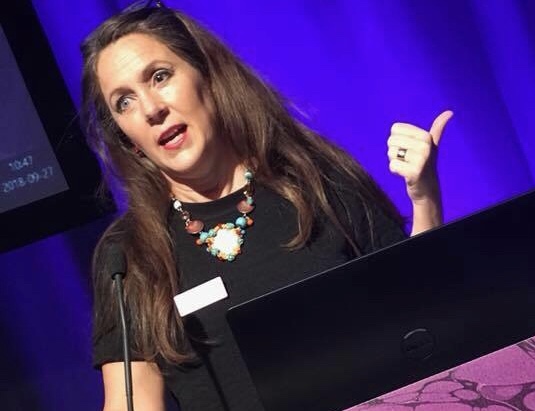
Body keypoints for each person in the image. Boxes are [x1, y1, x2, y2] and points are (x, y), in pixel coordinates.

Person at [83, 4, 452, 411]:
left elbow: (423, 315)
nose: (151, 109)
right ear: (128, 139)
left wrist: (425, 199)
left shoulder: (317, 181)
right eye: (124, 102)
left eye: (160, 76)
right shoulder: (128, 255)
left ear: (207, 74)